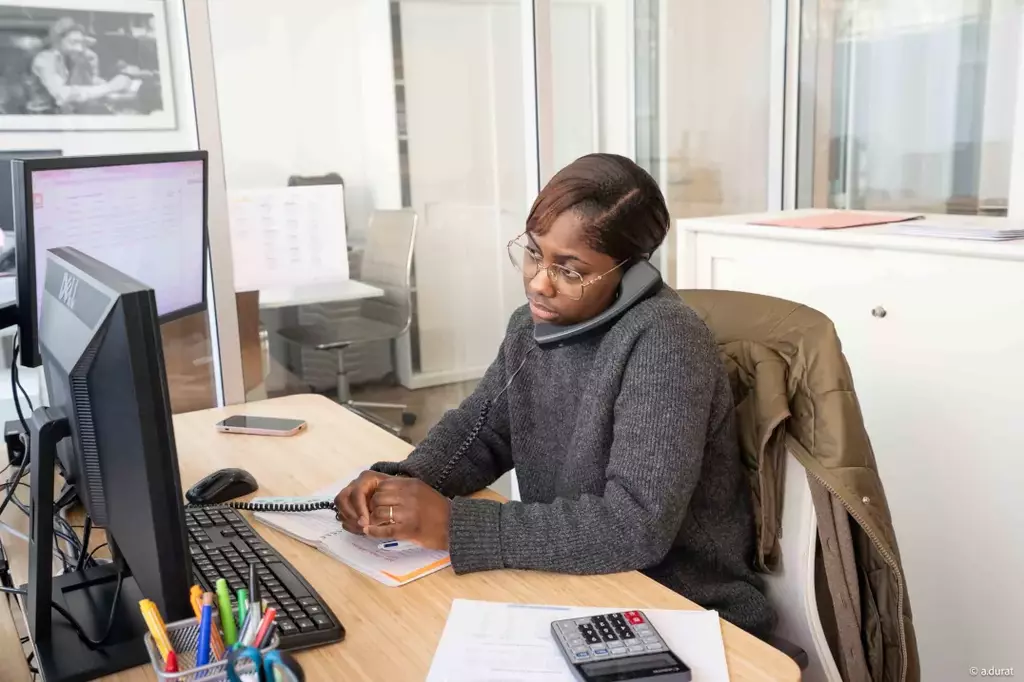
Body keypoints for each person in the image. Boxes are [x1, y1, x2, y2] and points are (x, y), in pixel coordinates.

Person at [335, 154, 775, 636]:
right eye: (533, 253)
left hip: (679, 606)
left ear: (630, 271)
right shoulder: (531, 328)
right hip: (578, 585)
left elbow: (635, 526)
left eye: (570, 271)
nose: (538, 282)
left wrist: (456, 526)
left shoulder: (664, 340)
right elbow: (480, 434)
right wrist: (398, 484)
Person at [25, 17, 133, 115]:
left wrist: (117, 85)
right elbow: (64, 95)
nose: (80, 48)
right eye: (73, 42)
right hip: (43, 118)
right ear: (58, 42)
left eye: (82, 43)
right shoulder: (44, 60)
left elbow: (90, 85)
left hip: (68, 115)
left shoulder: (79, 58)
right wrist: (109, 87)